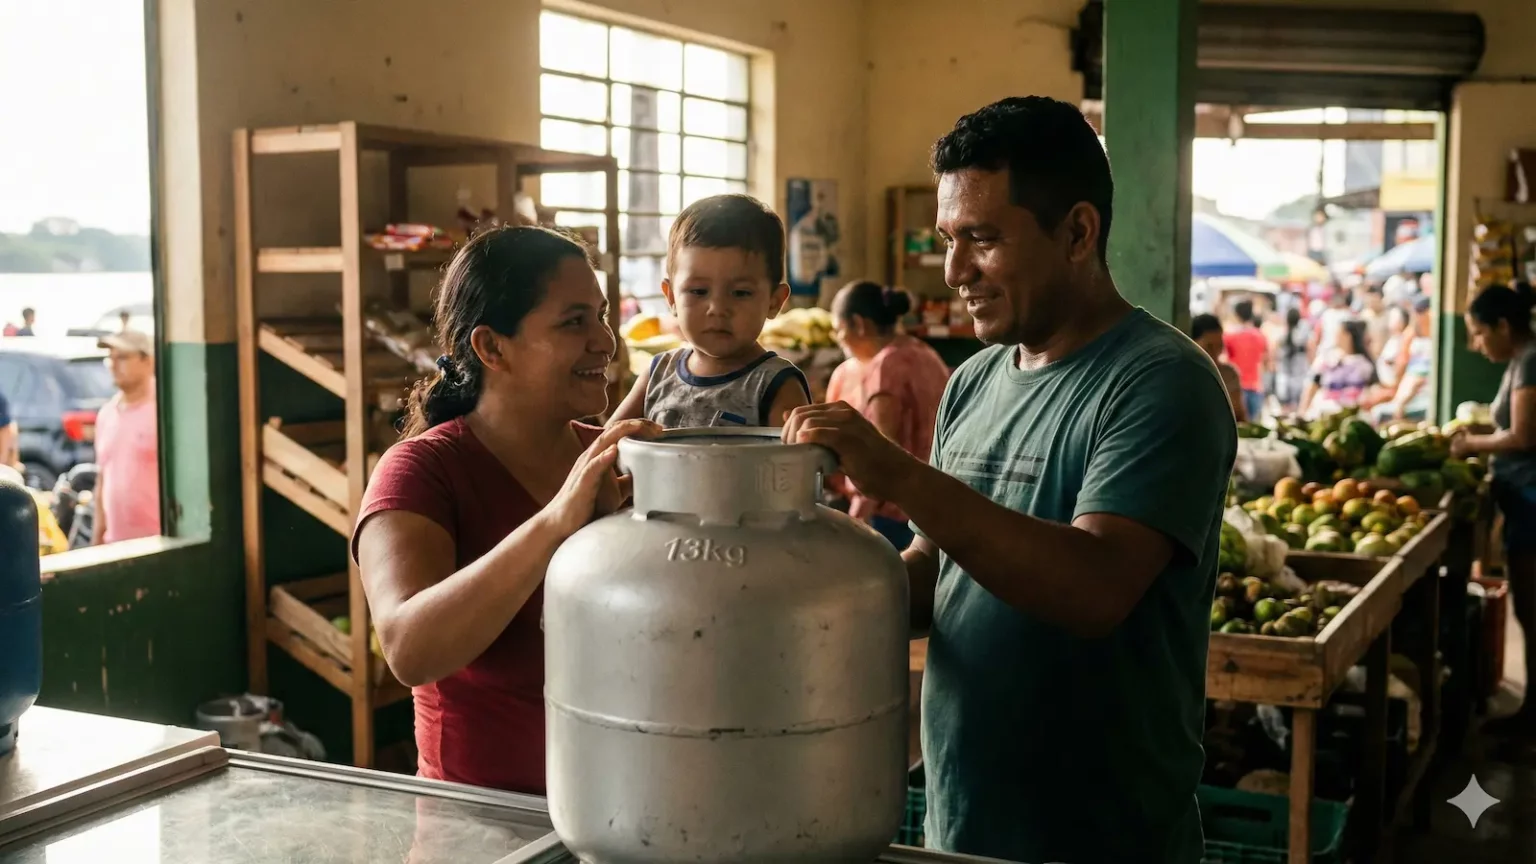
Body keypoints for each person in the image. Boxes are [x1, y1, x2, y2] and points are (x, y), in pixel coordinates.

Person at [785, 96, 1237, 864]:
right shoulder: (974, 382)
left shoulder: (1161, 382)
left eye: (984, 239)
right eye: (949, 239)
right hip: (965, 825)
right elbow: (935, 569)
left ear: (1078, 233)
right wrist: (805, 595)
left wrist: (897, 471)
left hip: (1104, 841)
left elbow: (1094, 588)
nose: (955, 270)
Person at [353, 226, 657, 794]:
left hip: (618, 804)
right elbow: (408, 649)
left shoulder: (615, 463)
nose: (605, 342)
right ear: (492, 347)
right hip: (479, 821)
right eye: (574, 322)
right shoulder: (421, 471)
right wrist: (555, 522)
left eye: (601, 316)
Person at [609, 194, 809, 429]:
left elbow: (795, 453)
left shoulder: (777, 386)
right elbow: (604, 443)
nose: (717, 309)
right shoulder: (657, 375)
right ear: (671, 297)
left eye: (740, 293)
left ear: (774, 302)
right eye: (698, 291)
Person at [1451, 281, 1536, 733]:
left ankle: (1531, 718)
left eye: (1481, 333)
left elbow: (1523, 435)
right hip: (1522, 499)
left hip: (1532, 502)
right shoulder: (1522, 360)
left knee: (1532, 609)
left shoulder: (1531, 360)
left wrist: (1472, 445)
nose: (1477, 344)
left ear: (1503, 325)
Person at [824, 280, 951, 549]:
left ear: (859, 324)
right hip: (931, 505)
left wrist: (858, 517)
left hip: (892, 514)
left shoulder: (886, 365)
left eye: (839, 329)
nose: (838, 339)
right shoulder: (926, 354)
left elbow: (881, 452)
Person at [94, 330, 160, 544]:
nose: (113, 365)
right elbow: (102, 481)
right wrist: (97, 539)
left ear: (147, 361)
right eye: (110, 358)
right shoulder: (107, 414)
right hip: (115, 545)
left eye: (122, 357)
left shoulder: (164, 411)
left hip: (157, 545)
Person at [1300, 318, 1375, 418]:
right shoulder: (1327, 359)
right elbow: (1312, 386)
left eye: (1339, 333)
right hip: (1325, 412)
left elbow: (1372, 389)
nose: (1336, 336)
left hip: (1353, 413)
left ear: (1348, 336)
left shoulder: (1364, 364)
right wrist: (1303, 411)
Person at [1191, 313, 1247, 422]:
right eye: (1209, 347)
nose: (1215, 353)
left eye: (1220, 346)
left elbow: (1240, 416)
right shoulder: (1185, 375)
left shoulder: (1229, 374)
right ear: (1192, 343)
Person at [1222, 298, 1269, 420]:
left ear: (1236, 315)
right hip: (1256, 387)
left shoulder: (1230, 337)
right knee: (1254, 427)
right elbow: (1266, 362)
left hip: (1237, 389)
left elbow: (1224, 360)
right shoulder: (1261, 336)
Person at [1273, 306, 1312, 411]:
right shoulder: (1302, 336)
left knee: (1285, 406)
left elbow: (1275, 352)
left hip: (1285, 375)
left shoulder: (1282, 335)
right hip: (1299, 374)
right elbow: (1310, 349)